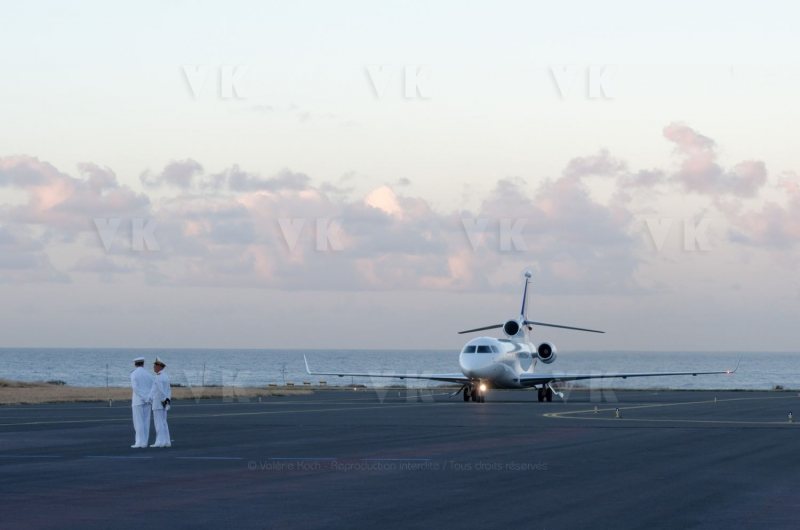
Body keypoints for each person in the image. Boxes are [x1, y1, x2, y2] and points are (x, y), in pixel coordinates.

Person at [130, 357, 153, 448]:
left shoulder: (134, 374)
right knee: (146, 422)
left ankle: (139, 442)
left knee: (138, 422)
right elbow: (153, 388)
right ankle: (144, 442)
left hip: (138, 401)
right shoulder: (149, 374)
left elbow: (135, 388)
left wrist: (143, 397)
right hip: (147, 401)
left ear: (135, 364)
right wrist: (148, 397)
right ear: (143, 363)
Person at [149, 357, 172, 448]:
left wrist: (164, 400)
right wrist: (168, 401)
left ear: (159, 366)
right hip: (164, 402)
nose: (153, 367)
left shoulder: (158, 376)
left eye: (155, 365)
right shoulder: (165, 376)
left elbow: (159, 389)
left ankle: (160, 442)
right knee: (163, 422)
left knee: (158, 423)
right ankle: (167, 441)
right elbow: (169, 390)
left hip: (159, 403)